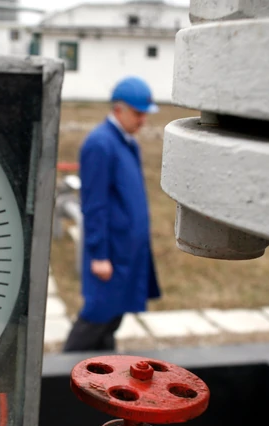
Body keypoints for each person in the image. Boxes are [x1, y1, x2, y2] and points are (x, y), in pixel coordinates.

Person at [62, 76, 161, 353]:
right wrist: (99, 254)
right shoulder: (100, 144)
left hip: (128, 251)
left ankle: (103, 369)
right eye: (139, 114)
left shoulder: (128, 142)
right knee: (97, 316)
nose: (143, 120)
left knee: (112, 319)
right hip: (111, 253)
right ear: (119, 110)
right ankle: (60, 370)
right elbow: (94, 204)